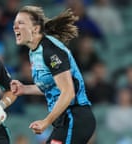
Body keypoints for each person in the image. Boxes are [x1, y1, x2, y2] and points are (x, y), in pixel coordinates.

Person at [11, 6, 96, 144]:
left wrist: (46, 121)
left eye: (20, 23)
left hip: (74, 117)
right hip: (64, 121)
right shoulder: (34, 52)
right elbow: (53, 86)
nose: (15, 27)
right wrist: (25, 89)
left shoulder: (50, 51)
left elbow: (68, 92)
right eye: (14, 23)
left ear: (36, 29)